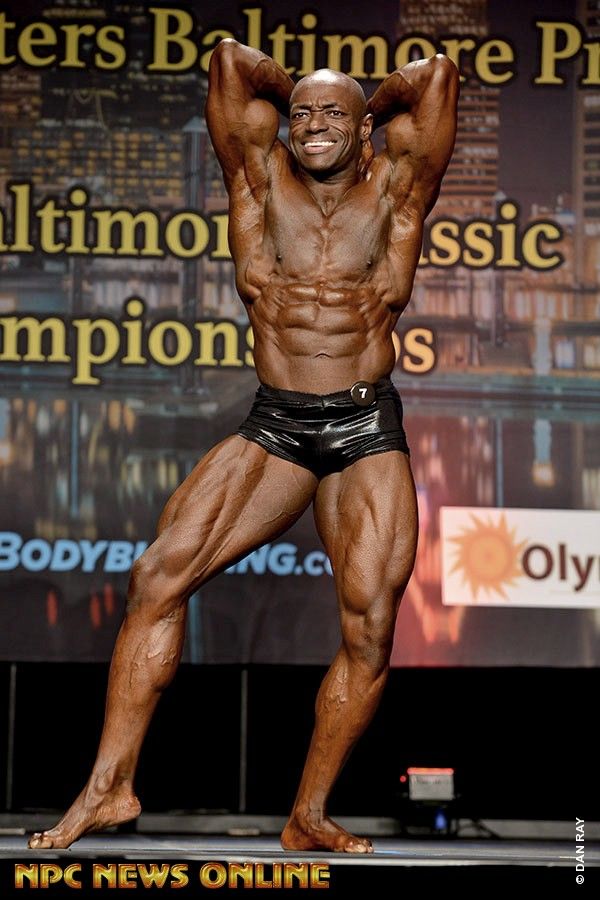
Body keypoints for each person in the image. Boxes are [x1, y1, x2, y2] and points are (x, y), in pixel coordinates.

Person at [29, 39, 459, 854]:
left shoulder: (397, 190)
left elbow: (437, 77)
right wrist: (303, 92)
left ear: (366, 130)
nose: (314, 124)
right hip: (278, 422)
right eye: (302, 113)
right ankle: (109, 786)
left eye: (333, 115)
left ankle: (308, 815)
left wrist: (361, 100)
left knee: (370, 628)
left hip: (364, 425)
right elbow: (230, 62)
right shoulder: (258, 180)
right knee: (157, 577)